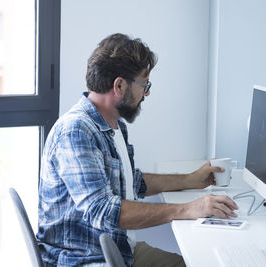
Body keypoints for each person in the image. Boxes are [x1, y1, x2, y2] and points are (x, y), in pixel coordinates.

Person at [37, 33, 239, 267]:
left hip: (118, 250)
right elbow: (103, 211)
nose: (147, 93)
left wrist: (192, 180)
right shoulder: (76, 131)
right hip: (86, 260)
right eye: (144, 84)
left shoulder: (113, 125)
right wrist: (189, 209)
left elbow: (130, 182)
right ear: (120, 85)